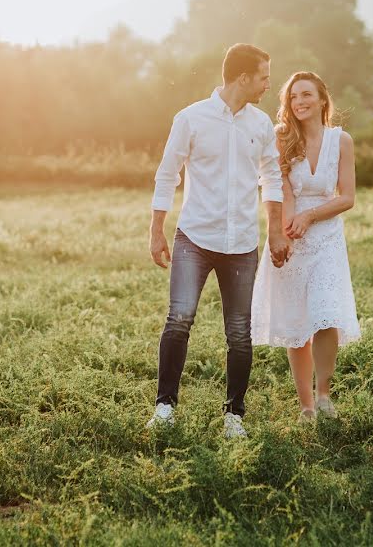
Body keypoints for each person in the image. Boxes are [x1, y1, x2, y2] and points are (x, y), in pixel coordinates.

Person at [147, 43, 291, 438]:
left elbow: (272, 178)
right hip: (194, 237)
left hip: (242, 244)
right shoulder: (190, 119)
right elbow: (167, 175)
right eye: (263, 75)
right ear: (243, 77)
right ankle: (164, 408)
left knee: (240, 333)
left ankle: (234, 417)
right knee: (179, 320)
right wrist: (156, 229)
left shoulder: (261, 125)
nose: (267, 83)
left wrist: (276, 229)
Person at [251, 71, 361, 422]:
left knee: (326, 315)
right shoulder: (281, 138)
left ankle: (324, 395)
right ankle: (305, 407)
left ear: (322, 99)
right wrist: (284, 231)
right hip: (292, 233)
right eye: (293, 97)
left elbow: (347, 197)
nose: (299, 102)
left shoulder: (341, 141)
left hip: (327, 236)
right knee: (297, 324)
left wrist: (312, 216)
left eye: (306, 95)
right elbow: (277, 188)